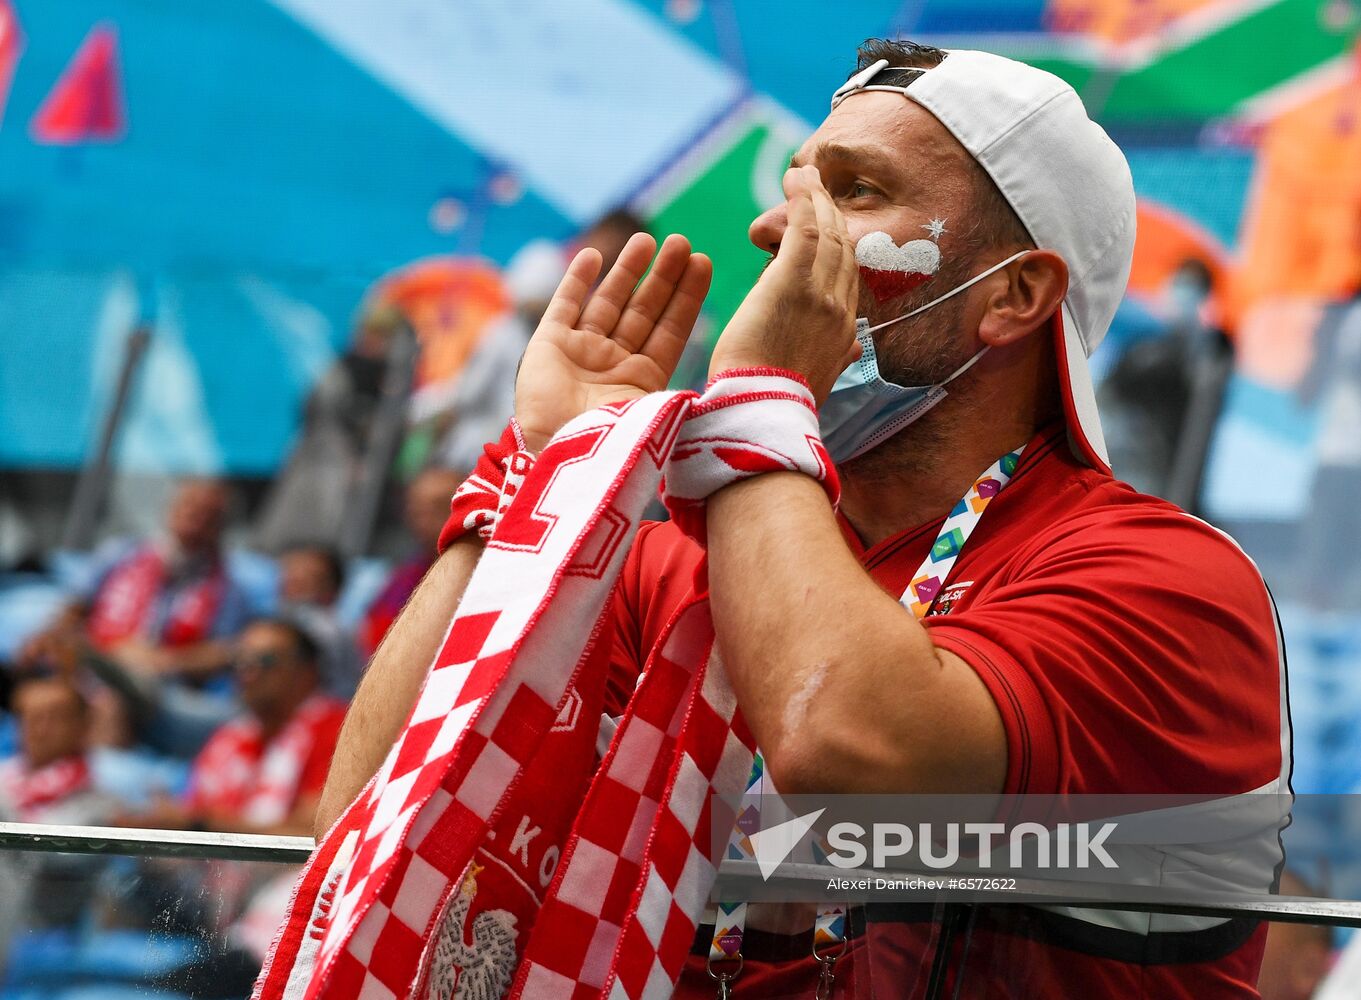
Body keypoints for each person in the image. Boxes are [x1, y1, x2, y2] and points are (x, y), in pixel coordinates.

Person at [316, 40, 1287, 997]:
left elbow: (847, 751)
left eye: (854, 191)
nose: (777, 229)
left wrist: (758, 399)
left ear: (1014, 294)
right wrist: (540, 481)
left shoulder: (1162, 580)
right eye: (792, 188)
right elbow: (377, 818)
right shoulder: (678, 566)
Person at [124, 618, 345, 837]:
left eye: (266, 660)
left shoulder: (336, 730)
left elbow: (314, 836)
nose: (247, 672)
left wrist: (201, 823)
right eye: (241, 660)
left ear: (307, 672)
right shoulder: (229, 737)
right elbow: (193, 812)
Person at [356, 466, 463, 657]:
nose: (421, 520)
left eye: (436, 508)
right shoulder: (406, 575)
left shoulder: (487, 569)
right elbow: (374, 636)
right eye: (416, 509)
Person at [277, 544, 361, 698]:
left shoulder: (325, 629)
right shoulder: (278, 619)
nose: (295, 578)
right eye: (291, 570)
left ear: (332, 589)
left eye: (309, 575)